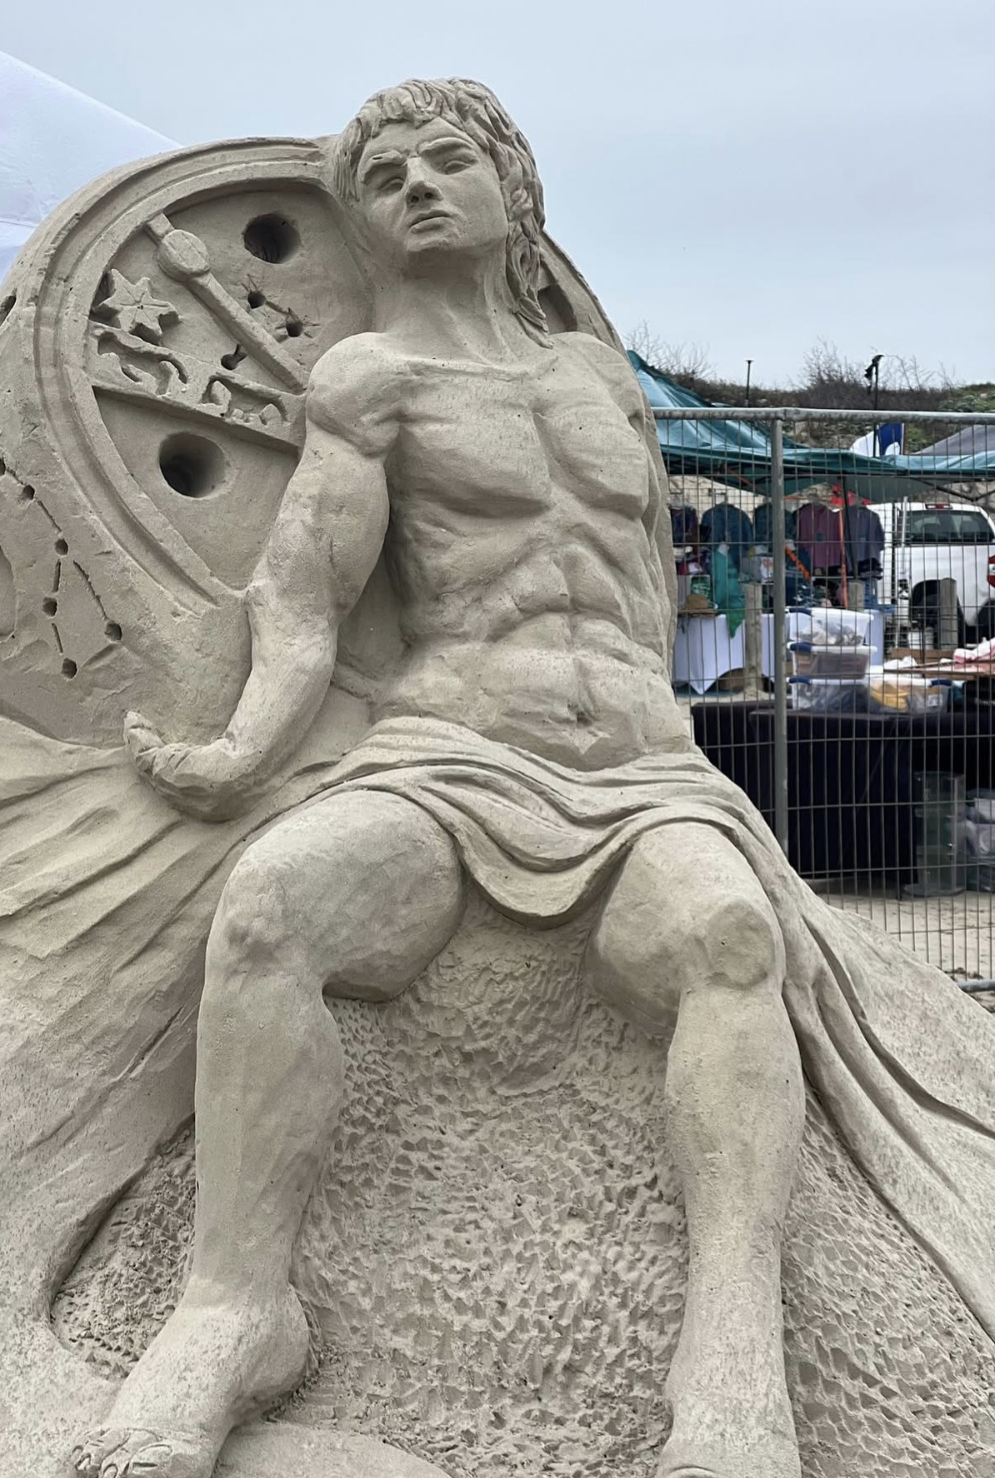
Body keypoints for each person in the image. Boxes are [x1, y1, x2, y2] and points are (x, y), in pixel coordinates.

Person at [72, 80, 994, 1478]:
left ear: (515, 193)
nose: (417, 186)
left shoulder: (598, 378)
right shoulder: (367, 379)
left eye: (448, 160)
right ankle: (233, 1308)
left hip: (636, 767)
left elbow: (642, 595)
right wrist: (245, 752)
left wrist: (670, 745)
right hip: (450, 751)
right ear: (361, 224)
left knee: (730, 935)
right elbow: (307, 592)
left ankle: (730, 1340)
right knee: (269, 906)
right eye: (386, 177)